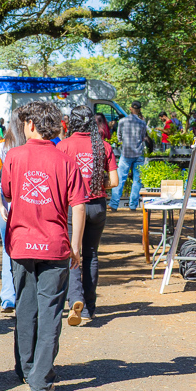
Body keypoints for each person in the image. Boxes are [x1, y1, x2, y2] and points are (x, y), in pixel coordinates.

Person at [2, 100, 87, 391]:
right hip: (55, 244)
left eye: (26, 122)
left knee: (25, 307)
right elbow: (79, 206)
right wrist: (76, 246)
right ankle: (40, 377)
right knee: (50, 311)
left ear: (32, 125)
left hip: (22, 243)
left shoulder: (14, 155)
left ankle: (25, 368)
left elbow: (9, 191)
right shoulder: (65, 161)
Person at [57, 106, 117, 325]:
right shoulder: (103, 146)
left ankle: (75, 299)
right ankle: (90, 308)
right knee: (91, 254)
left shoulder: (63, 146)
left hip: (74, 207)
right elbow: (115, 181)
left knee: (73, 252)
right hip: (98, 205)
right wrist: (97, 184)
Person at [0, 113, 27, 313]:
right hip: (29, 206)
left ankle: (8, 296)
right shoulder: (30, 146)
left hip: (6, 207)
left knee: (6, 250)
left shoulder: (1, 146)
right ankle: (24, 295)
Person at [110, 101, 148, 211]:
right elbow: (142, 138)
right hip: (138, 154)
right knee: (137, 180)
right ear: (139, 110)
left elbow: (119, 137)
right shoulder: (142, 123)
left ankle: (114, 204)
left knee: (120, 179)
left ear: (130, 108)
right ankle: (133, 205)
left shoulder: (122, 121)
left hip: (126, 153)